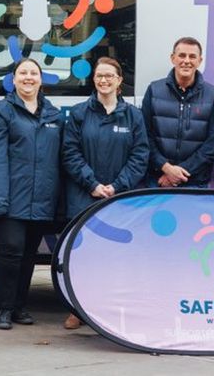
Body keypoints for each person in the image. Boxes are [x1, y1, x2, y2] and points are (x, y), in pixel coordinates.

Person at [61, 57, 149, 329]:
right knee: (81, 257)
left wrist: (117, 186)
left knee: (115, 256)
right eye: (100, 76)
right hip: (85, 195)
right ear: (94, 79)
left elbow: (140, 154)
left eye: (110, 76)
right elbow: (70, 153)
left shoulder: (133, 116)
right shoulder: (79, 113)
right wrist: (93, 184)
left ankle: (108, 310)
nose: (104, 80)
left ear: (119, 80)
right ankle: (78, 309)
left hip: (119, 198)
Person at [0, 58, 62, 330]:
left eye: (33, 73)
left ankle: (19, 306)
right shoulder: (1, 112)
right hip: (10, 197)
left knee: (29, 253)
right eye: (23, 73)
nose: (28, 78)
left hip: (41, 198)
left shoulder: (53, 114)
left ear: (41, 80)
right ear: (13, 79)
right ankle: (3, 308)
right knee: (11, 250)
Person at [142, 37, 214, 187]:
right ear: (172, 58)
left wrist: (180, 173)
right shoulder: (154, 90)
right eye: (181, 55)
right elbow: (144, 136)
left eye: (192, 56)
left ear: (200, 61)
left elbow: (213, 144)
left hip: (195, 182)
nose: (186, 61)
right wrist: (165, 168)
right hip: (158, 180)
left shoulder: (213, 95)